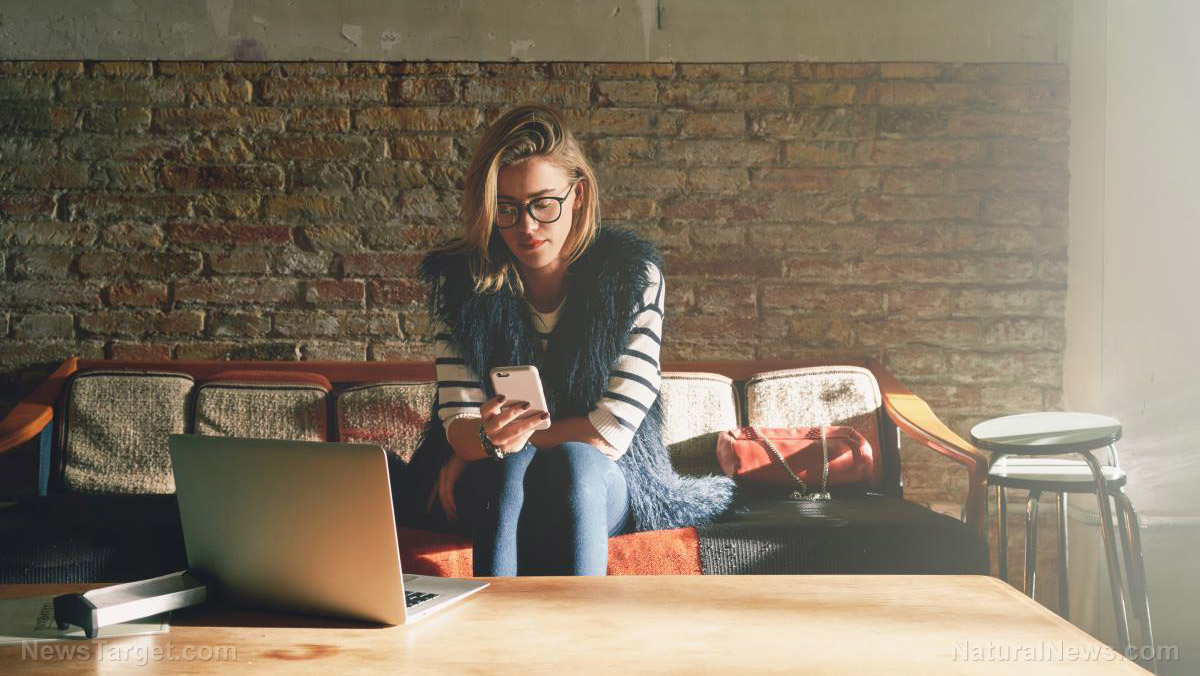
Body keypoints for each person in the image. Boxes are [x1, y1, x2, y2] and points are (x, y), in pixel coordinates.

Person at [399, 103, 733, 576]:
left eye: (543, 204)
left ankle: (581, 621)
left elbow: (608, 432)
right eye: (507, 208)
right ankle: (496, 619)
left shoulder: (632, 279)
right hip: (494, 477)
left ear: (577, 195)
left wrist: (488, 444)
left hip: (602, 476)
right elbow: (459, 418)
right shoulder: (462, 287)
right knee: (508, 469)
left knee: (576, 463)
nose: (526, 226)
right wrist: (481, 443)